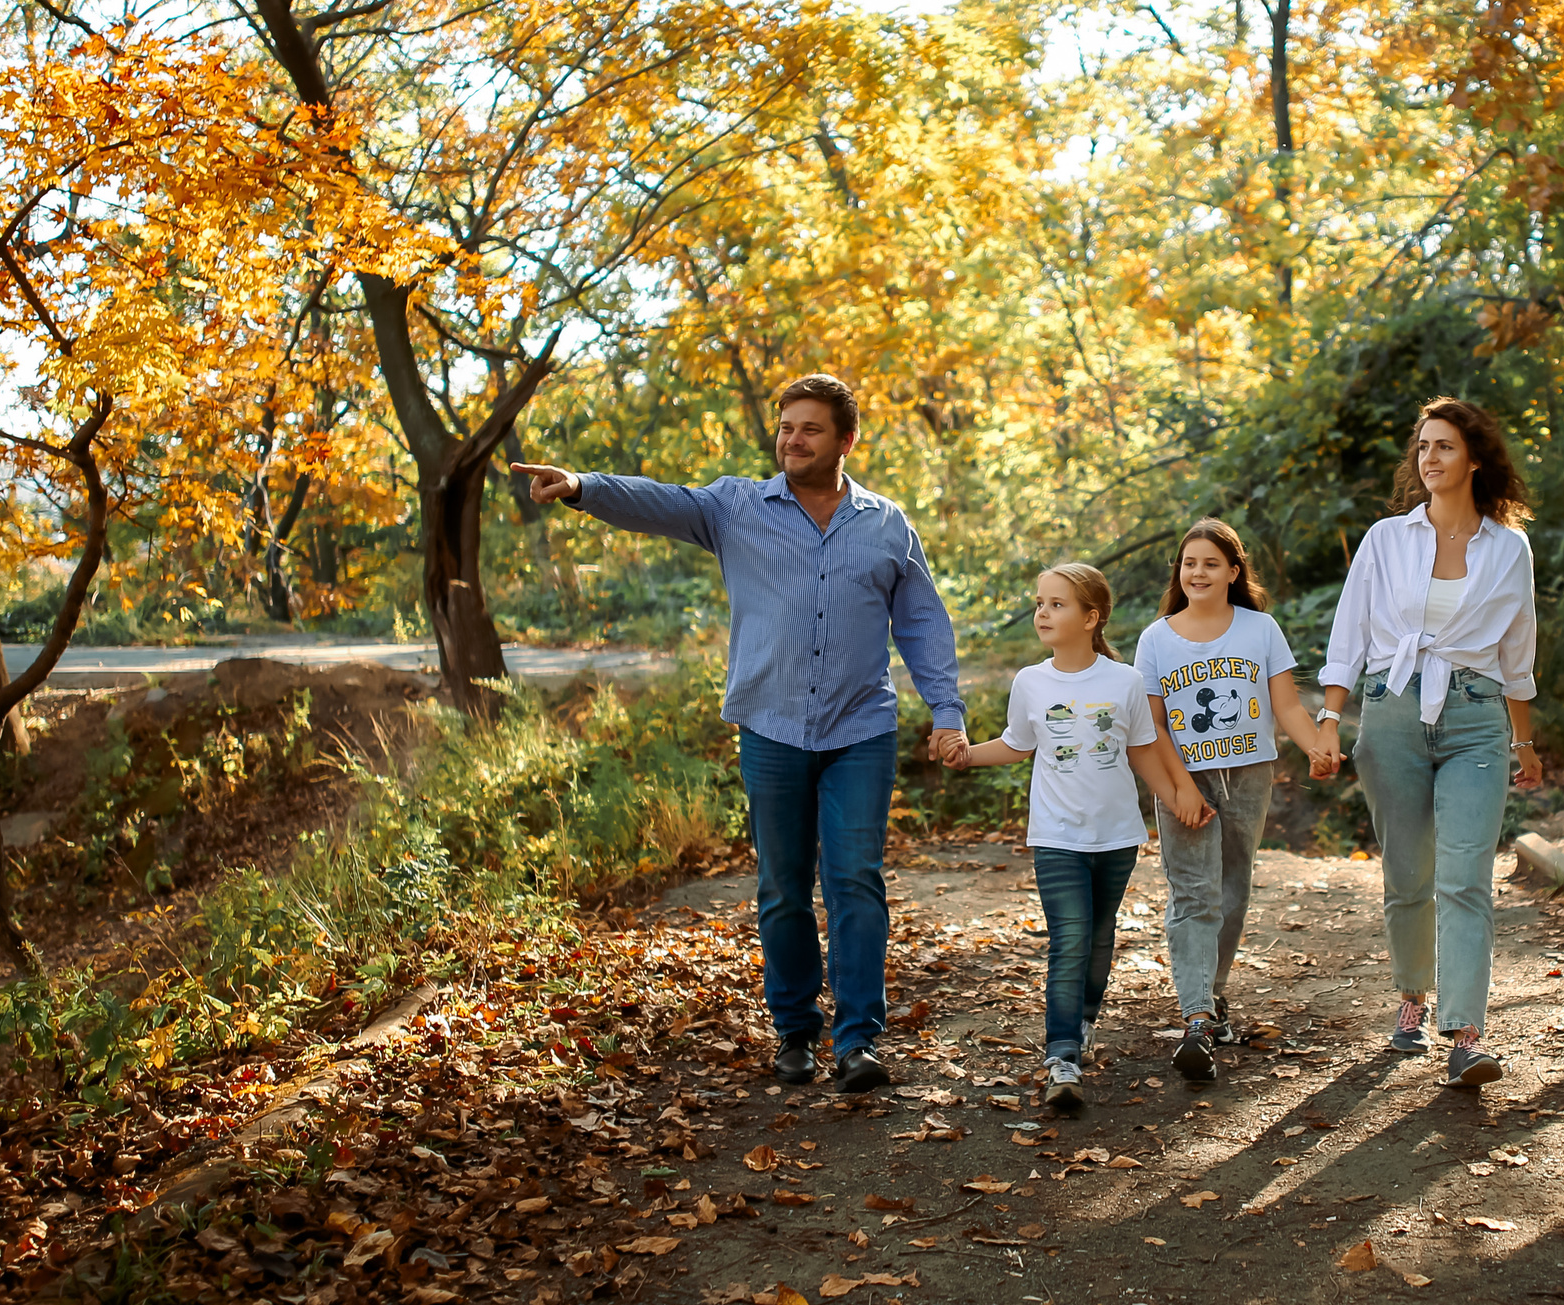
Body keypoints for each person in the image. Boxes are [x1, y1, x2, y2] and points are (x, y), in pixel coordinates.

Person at [512, 374, 967, 1094]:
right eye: (786, 426)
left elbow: (920, 621)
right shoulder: (737, 506)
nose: (792, 438)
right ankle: (795, 1033)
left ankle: (858, 1041)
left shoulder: (886, 523)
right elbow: (662, 501)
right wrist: (579, 486)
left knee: (854, 880)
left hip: (861, 729)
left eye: (810, 428)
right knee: (783, 888)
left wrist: (946, 710)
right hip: (772, 726)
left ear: (846, 441)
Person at [1313, 396, 1542, 1090]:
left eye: (1443, 446)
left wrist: (1524, 742)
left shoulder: (1509, 548)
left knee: (1466, 874)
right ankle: (1412, 996)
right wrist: (1330, 717)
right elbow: (1349, 633)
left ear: (1474, 457)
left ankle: (1467, 1033)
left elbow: (1517, 650)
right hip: (1392, 714)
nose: (1430, 458)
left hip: (1476, 717)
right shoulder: (1388, 538)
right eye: (1422, 447)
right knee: (1407, 873)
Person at [943, 564, 1210, 1112]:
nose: (1043, 612)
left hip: (1115, 837)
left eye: (1057, 604)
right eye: (1040, 602)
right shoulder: (1030, 682)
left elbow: (1141, 750)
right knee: (1069, 939)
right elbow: (1018, 744)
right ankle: (1062, 1056)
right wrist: (968, 754)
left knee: (1099, 936)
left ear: (1091, 617)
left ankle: (1085, 1019)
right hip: (1056, 835)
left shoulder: (1125, 681)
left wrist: (1176, 795)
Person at [1134, 518, 1337, 1083]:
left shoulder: (1260, 629)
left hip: (1250, 774)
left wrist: (1317, 745)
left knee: (1232, 891)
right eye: (1189, 563)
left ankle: (1214, 996)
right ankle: (1195, 1018)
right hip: (1184, 777)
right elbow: (1151, 727)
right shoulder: (1157, 639)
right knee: (1194, 894)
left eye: (1210, 563)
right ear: (1179, 572)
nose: (1197, 572)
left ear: (1233, 571)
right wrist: (1180, 789)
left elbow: (1288, 707)